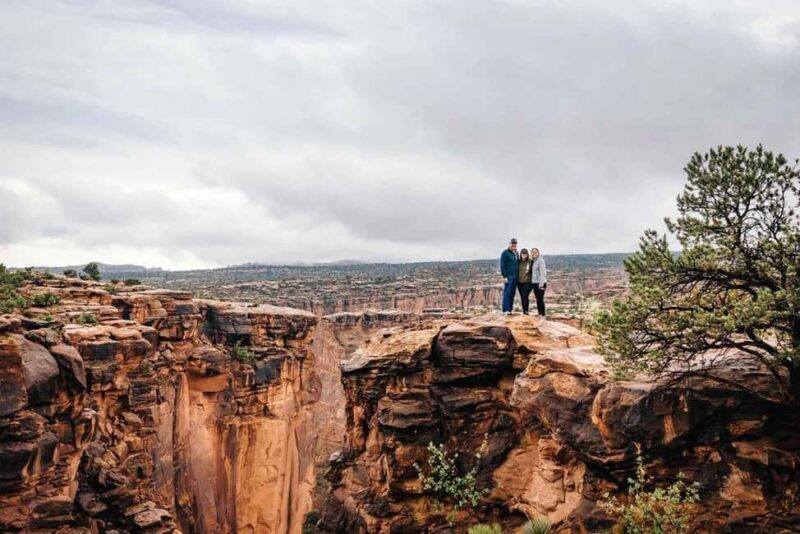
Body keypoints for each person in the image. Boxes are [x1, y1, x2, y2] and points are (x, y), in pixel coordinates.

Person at [500, 238, 518, 314]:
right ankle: (506, 310)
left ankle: (510, 309)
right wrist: (504, 276)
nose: (514, 245)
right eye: (512, 243)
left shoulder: (516, 253)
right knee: (507, 293)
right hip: (509, 276)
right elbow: (502, 265)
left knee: (512, 293)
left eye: (515, 243)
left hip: (516, 276)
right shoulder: (505, 253)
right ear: (509, 244)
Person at [530, 248, 547, 317]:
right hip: (535, 283)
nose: (534, 253)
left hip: (540, 283)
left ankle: (542, 314)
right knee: (538, 299)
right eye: (533, 252)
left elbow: (543, 273)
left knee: (540, 299)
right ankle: (540, 313)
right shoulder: (533, 261)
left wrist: (541, 285)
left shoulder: (541, 261)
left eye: (535, 252)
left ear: (538, 253)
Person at [517, 248, 533, 314]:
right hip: (519, 282)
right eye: (522, 254)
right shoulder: (518, 262)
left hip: (528, 282)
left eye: (525, 254)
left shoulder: (530, 261)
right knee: (522, 297)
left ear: (527, 254)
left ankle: (526, 311)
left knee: (525, 295)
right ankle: (524, 311)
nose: (524, 255)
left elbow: (534, 271)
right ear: (521, 254)